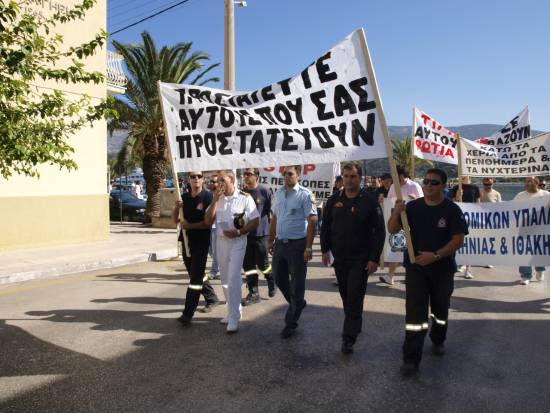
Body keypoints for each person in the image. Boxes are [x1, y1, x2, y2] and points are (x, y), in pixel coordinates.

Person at [388, 168, 468, 376]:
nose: (429, 185)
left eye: (434, 182)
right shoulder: (412, 207)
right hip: (416, 270)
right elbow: (392, 229)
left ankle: (438, 337)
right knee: (415, 312)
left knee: (440, 309)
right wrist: (396, 213)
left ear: (443, 186)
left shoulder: (452, 210)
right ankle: (410, 358)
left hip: (442, 269)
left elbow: (458, 240)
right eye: (426, 182)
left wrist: (436, 255)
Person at [321, 163, 385, 354]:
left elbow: (380, 232)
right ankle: (354, 322)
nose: (349, 180)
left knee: (355, 296)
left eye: (353, 176)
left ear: (360, 178)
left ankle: (348, 338)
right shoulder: (334, 200)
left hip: (361, 259)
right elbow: (326, 227)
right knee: (346, 295)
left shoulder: (369, 201)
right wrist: (325, 250)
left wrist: (374, 258)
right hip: (340, 258)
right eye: (346, 176)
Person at [205, 171, 259, 333]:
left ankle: (234, 317)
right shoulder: (217, 198)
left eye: (222, 180)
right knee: (225, 280)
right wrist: (214, 200)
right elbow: (208, 221)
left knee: (233, 277)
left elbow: (255, 220)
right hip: (221, 242)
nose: (219, 183)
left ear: (232, 181)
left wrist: (239, 232)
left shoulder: (245, 198)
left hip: (237, 241)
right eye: (217, 180)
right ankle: (232, 311)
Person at [268, 165, 317, 339]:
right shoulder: (278, 193)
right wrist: (270, 239)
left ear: (299, 175)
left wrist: (308, 247)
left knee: (297, 284)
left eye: (290, 174)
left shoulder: (305, 194)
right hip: (280, 243)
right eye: (284, 174)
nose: (286, 177)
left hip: (298, 245)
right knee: (278, 277)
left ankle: (291, 322)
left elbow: (312, 221)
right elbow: (274, 217)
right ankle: (298, 303)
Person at [172, 171, 220, 326]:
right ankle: (211, 297)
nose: (196, 179)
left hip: (201, 242)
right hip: (186, 242)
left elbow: (208, 223)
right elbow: (176, 221)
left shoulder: (208, 198)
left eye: (199, 176)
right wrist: (175, 208)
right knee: (195, 274)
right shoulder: (184, 198)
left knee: (194, 280)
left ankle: (188, 313)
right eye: (193, 176)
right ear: (189, 179)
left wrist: (190, 226)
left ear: (203, 179)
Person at [380, 165, 423, 286]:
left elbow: (423, 203)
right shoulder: (394, 186)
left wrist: (414, 199)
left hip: (413, 223)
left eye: (397, 176)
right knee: (396, 248)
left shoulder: (414, 186)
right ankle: (390, 276)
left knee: (411, 250)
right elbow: (389, 202)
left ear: (403, 175)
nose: (395, 179)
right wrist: (383, 201)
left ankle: (410, 276)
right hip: (398, 223)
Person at [241, 168, 276, 305]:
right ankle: (254, 292)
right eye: (245, 174)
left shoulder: (264, 192)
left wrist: (272, 236)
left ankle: (271, 279)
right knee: (248, 265)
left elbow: (271, 214)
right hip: (245, 235)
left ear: (257, 176)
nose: (246, 176)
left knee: (263, 263)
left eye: (249, 174)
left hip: (261, 234)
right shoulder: (242, 193)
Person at [513, 176, 550, 285]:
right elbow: (510, 209)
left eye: (529, 181)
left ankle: (540, 269)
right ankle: (526, 275)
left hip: (541, 229)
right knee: (524, 251)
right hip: (524, 228)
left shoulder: (546, 195)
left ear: (536, 182)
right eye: (525, 181)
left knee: (539, 251)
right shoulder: (520, 196)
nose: (526, 183)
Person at [451, 176, 480, 279]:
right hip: (458, 218)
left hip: (471, 219)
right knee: (457, 242)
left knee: (470, 244)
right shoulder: (455, 188)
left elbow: (478, 203)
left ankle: (468, 269)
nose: (463, 176)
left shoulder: (475, 188)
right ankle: (457, 265)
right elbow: (452, 202)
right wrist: (458, 197)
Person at [206, 173, 220, 280]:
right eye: (210, 181)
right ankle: (219, 264)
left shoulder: (222, 195)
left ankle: (214, 271)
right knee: (209, 249)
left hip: (217, 226)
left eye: (214, 181)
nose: (211, 183)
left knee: (215, 250)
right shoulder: (208, 195)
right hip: (208, 225)